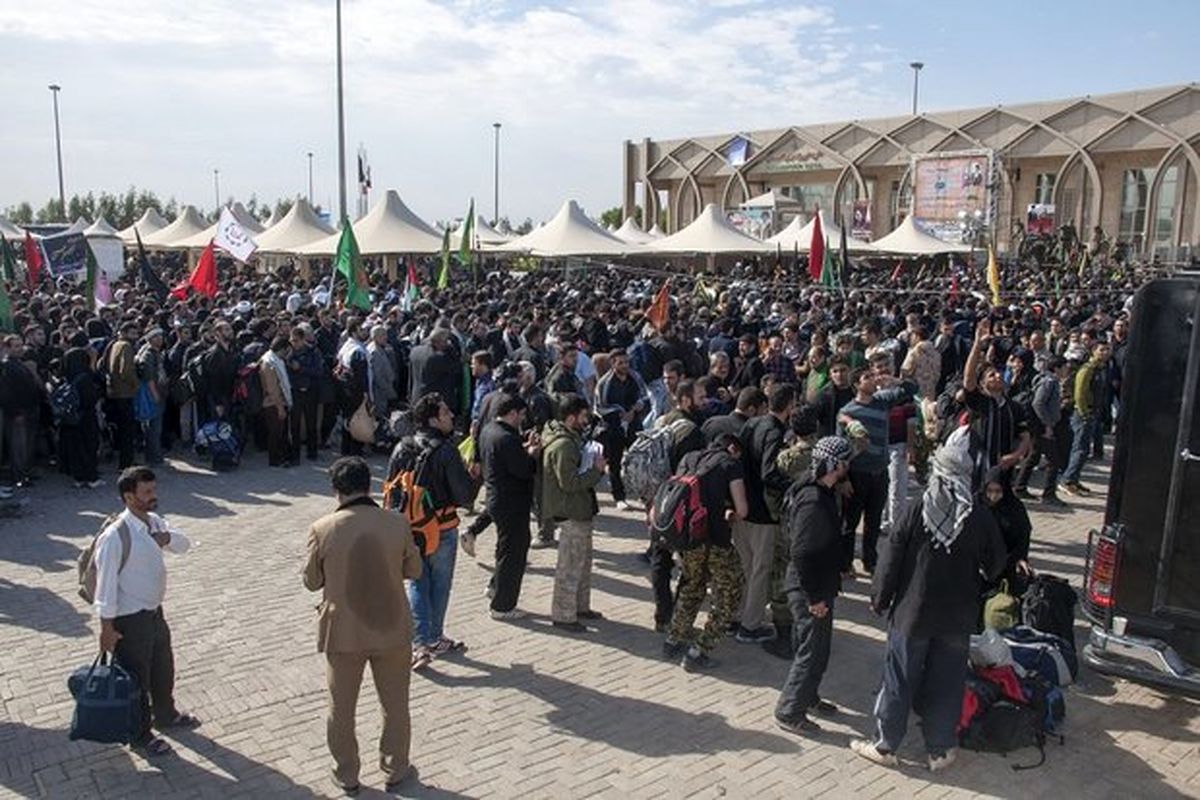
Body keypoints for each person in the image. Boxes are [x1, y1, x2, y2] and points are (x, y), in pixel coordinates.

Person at [851, 428, 1006, 772]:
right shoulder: (978, 515)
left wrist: (879, 597)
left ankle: (886, 744)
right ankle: (940, 750)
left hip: (912, 613)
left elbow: (890, 558)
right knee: (947, 682)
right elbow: (996, 564)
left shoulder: (917, 508)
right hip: (958, 615)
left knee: (899, 679)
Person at [303, 457, 422, 795]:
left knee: (341, 709)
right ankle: (396, 768)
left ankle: (347, 774)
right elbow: (414, 571)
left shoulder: (322, 528)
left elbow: (311, 581)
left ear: (336, 490)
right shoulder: (397, 523)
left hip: (343, 632)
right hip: (392, 627)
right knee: (396, 705)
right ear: (369, 483)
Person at [94, 466, 198, 757]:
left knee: (163, 666)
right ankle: (140, 735)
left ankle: (165, 714)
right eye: (147, 492)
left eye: (154, 490)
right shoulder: (116, 536)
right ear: (129, 497)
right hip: (130, 620)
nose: (154, 496)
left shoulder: (153, 522)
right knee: (137, 679)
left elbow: (185, 544)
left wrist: (166, 538)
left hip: (154, 613)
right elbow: (105, 589)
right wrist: (107, 628)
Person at [387, 392, 478, 669]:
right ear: (433, 419)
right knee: (439, 585)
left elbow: (390, 487)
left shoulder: (402, 446)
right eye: (446, 412)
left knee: (417, 581)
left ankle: (420, 644)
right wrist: (474, 477)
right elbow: (464, 497)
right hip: (442, 528)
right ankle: (432, 638)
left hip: (409, 527)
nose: (451, 415)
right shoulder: (446, 450)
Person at [775, 436, 852, 735]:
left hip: (816, 584)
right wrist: (815, 597)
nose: (848, 467)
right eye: (845, 461)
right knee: (812, 649)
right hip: (810, 588)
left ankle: (809, 696)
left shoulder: (817, 489)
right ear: (835, 464)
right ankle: (790, 709)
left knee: (817, 647)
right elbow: (803, 552)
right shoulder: (813, 500)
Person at [662, 433, 748, 670]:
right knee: (730, 595)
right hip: (716, 541)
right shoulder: (730, 463)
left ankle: (674, 639)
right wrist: (730, 514)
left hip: (688, 539)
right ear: (732, 448)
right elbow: (742, 509)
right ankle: (698, 650)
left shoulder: (689, 457)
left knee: (692, 584)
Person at [837, 367, 916, 576]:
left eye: (873, 376)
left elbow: (912, 389)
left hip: (879, 472)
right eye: (867, 377)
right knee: (850, 522)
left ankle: (870, 562)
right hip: (857, 474)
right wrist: (843, 479)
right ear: (856, 384)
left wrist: (894, 380)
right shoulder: (848, 412)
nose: (873, 380)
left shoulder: (883, 401)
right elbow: (840, 450)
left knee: (874, 522)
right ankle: (845, 564)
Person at [735, 383, 795, 644]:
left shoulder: (752, 424)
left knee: (746, 566)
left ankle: (738, 616)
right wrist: (794, 485)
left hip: (742, 505)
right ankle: (750, 625)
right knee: (760, 570)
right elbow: (769, 472)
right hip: (763, 511)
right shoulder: (774, 432)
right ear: (790, 406)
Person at [542, 393, 607, 633]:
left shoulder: (570, 439)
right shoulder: (564, 445)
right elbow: (568, 483)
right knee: (570, 566)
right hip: (570, 511)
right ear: (570, 418)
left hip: (579, 510)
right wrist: (596, 471)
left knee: (582, 563)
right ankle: (563, 615)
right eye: (583, 416)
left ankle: (580, 607)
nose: (586, 420)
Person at [479, 394, 541, 619]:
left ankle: (495, 586)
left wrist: (523, 447)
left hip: (497, 499)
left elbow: (506, 458)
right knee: (514, 554)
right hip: (512, 503)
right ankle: (503, 606)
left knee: (505, 550)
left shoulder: (490, 431)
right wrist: (532, 454)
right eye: (521, 415)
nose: (522, 420)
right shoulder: (506, 438)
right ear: (513, 413)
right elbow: (523, 469)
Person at [594, 349, 649, 510]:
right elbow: (599, 407)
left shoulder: (635, 377)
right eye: (621, 362)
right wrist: (619, 413)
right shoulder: (605, 383)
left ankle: (642, 494)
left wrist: (637, 408)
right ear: (613, 363)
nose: (625, 365)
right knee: (615, 463)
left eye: (626, 362)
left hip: (634, 425)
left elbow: (645, 397)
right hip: (614, 428)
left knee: (638, 461)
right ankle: (619, 496)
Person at [1014, 355, 1070, 506]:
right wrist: (1048, 425)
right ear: (1057, 368)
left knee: (1033, 456)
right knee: (1054, 460)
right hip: (1042, 427)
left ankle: (1020, 487)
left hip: (1039, 426)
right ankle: (1049, 494)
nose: (1067, 370)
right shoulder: (1049, 382)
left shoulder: (1047, 380)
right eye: (1065, 367)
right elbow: (1038, 403)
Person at [1062, 340, 1112, 496]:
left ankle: (1074, 480)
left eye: (1107, 350)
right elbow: (1080, 393)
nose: (1105, 353)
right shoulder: (1087, 369)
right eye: (1101, 350)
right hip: (1083, 413)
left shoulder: (1101, 368)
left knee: (1083, 449)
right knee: (1080, 449)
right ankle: (1067, 481)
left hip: (1093, 412)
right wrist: (1084, 413)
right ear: (1093, 351)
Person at [980, 467, 1033, 594]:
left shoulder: (1015, 507)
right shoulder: (977, 504)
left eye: (998, 491)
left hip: (1007, 562)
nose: (993, 496)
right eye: (989, 491)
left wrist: (1020, 558)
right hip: (980, 562)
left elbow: (1023, 535)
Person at [106, 322, 141, 469]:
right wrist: (136, 384)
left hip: (117, 392)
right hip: (125, 393)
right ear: (124, 333)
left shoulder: (115, 345)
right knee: (128, 431)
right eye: (132, 333)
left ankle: (125, 462)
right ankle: (126, 463)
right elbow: (125, 370)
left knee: (123, 430)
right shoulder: (126, 346)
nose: (136, 336)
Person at [259, 336, 294, 467]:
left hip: (279, 402)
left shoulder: (276, 360)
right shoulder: (269, 363)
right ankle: (274, 460)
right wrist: (280, 407)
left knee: (281, 432)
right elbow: (272, 388)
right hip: (273, 403)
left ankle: (281, 457)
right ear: (284, 349)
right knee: (275, 433)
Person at [135, 328, 168, 466]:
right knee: (153, 427)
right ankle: (154, 458)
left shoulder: (155, 352)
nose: (159, 339)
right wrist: (154, 394)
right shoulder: (148, 354)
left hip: (158, 391)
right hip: (152, 393)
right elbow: (148, 377)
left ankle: (155, 455)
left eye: (161, 336)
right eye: (156, 336)